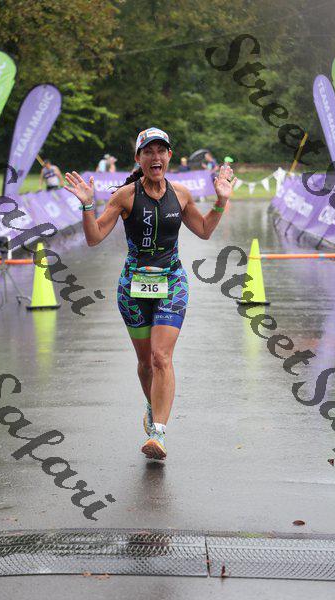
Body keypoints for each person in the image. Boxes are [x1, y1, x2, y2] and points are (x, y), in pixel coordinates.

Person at [64, 127, 236, 460]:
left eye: (161, 151)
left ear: (169, 156)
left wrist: (221, 201)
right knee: (145, 363)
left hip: (172, 282)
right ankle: (151, 402)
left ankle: (157, 433)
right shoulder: (125, 196)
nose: (155, 157)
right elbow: (94, 237)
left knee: (161, 357)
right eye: (148, 152)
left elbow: (204, 230)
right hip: (133, 287)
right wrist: (87, 206)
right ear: (139, 158)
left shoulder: (181, 194)